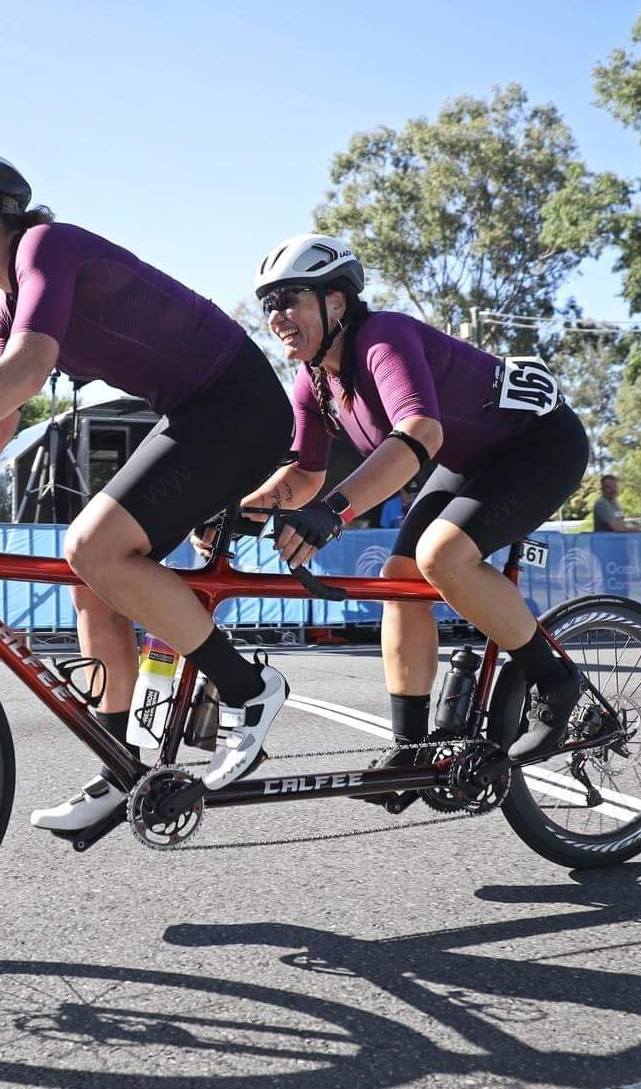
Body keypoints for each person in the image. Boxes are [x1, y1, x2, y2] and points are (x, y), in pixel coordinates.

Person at [0, 150, 294, 833]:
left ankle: (249, 690)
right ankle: (119, 765)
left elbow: (29, 367)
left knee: (93, 545)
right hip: (195, 413)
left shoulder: (47, 246)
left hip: (241, 404)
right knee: (92, 579)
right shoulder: (8, 303)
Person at [231, 234, 591, 768]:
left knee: (441, 557)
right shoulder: (314, 381)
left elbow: (420, 434)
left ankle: (555, 682)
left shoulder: (383, 337)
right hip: (471, 462)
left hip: (540, 444)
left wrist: (331, 513)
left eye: (289, 299)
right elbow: (305, 472)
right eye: (269, 304)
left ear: (335, 302)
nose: (276, 315)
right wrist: (239, 511)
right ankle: (412, 749)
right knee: (401, 579)